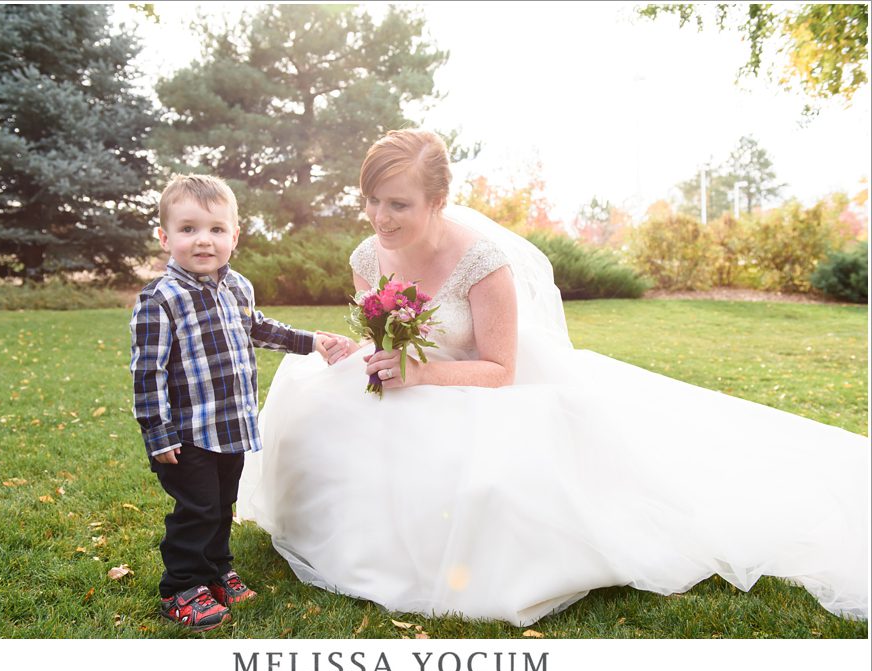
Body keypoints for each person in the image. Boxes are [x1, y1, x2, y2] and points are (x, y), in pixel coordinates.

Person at [237, 130, 869, 627]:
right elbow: (383, 337)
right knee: (321, 420)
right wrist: (372, 357)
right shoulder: (366, 255)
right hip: (408, 380)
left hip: (481, 388)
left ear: (437, 202)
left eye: (398, 204)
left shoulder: (482, 262)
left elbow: (501, 372)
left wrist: (421, 373)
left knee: (485, 484)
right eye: (371, 200)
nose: (380, 217)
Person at [129, 174, 339, 632]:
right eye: (188, 229)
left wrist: (311, 342)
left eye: (216, 229)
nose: (203, 240)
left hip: (231, 426)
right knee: (198, 509)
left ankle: (218, 571)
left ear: (234, 236)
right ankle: (182, 587)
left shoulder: (238, 287)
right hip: (187, 435)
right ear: (165, 238)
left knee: (223, 504)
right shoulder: (160, 299)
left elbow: (259, 328)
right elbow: (148, 373)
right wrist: (157, 433)